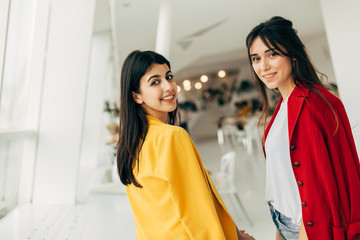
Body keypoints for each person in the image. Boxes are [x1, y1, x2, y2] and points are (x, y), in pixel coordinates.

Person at [116, 50, 254, 240]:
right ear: (137, 96)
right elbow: (198, 213)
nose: (169, 86)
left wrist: (235, 233)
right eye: (155, 82)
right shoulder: (171, 137)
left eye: (169, 77)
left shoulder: (130, 145)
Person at [246, 16, 360, 240]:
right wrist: (280, 230)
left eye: (272, 54)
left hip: (310, 229)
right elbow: (286, 179)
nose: (263, 66)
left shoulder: (317, 104)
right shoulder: (282, 107)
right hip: (283, 222)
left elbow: (343, 177)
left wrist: (303, 233)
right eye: (256, 58)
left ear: (293, 54)